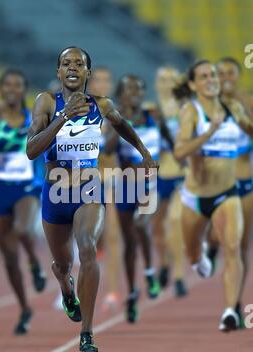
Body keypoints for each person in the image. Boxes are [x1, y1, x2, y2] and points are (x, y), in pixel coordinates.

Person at [26, 47, 158, 352]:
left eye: (79, 63)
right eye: (65, 63)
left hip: (88, 187)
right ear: (59, 72)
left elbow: (123, 124)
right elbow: (32, 149)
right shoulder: (46, 102)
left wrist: (144, 153)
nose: (72, 67)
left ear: (88, 73)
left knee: (87, 248)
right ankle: (66, 289)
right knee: (61, 264)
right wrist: (62, 117)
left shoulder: (102, 105)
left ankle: (86, 332)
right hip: (55, 192)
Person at [174, 60, 253, 331]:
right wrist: (210, 132)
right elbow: (180, 153)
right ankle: (199, 257)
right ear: (194, 84)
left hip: (227, 194)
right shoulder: (191, 112)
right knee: (194, 256)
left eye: (213, 75)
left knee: (233, 247)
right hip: (195, 199)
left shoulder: (233, 108)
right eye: (204, 76)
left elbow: (249, 128)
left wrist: (245, 122)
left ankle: (230, 310)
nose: (212, 79)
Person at [0, 69, 46, 335]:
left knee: (23, 230)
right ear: (1, 89)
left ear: (23, 90)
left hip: (27, 186)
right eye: (7, 85)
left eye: (17, 85)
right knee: (8, 256)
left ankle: (34, 262)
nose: (11, 89)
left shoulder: (34, 117)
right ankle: (24, 308)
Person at [106, 75, 161, 323]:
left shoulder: (153, 116)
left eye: (139, 89)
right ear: (121, 95)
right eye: (129, 90)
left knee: (141, 224)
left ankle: (149, 271)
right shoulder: (114, 119)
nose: (135, 94)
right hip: (125, 185)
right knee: (129, 243)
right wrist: (119, 126)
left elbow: (171, 140)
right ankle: (132, 292)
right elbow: (106, 149)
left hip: (149, 183)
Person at [206, 57, 253, 325]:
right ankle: (211, 246)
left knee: (239, 245)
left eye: (230, 73)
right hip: (216, 183)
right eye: (219, 73)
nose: (225, 78)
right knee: (218, 235)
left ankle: (233, 303)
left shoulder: (247, 102)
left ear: (237, 76)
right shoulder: (206, 104)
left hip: (244, 182)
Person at [88, 66, 122, 312]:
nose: (102, 84)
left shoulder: (114, 112)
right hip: (83, 181)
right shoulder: (79, 110)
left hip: (110, 179)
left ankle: (112, 291)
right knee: (81, 237)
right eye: (97, 80)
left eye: (106, 79)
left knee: (112, 236)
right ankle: (68, 289)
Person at [153, 67, 187, 297]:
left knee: (175, 221)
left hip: (180, 174)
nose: (166, 84)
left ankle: (179, 275)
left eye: (170, 80)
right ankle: (164, 263)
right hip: (156, 176)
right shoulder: (149, 111)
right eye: (162, 80)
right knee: (156, 228)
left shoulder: (186, 111)